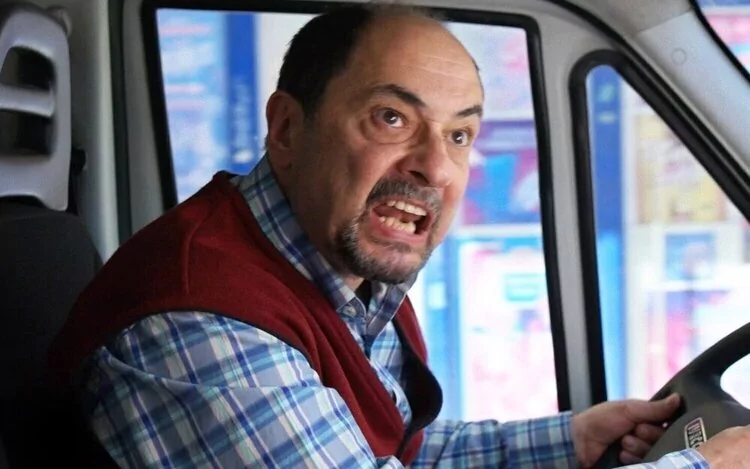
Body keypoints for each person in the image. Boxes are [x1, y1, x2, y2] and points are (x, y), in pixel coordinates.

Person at [50, 3, 750, 468]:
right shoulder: (199, 321)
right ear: (287, 129)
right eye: (392, 119)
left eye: (459, 135)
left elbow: (391, 452)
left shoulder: (335, 268)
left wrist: (571, 440)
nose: (435, 167)